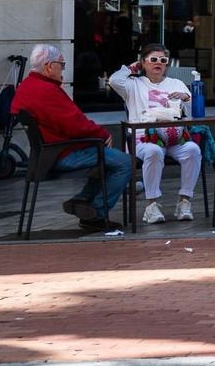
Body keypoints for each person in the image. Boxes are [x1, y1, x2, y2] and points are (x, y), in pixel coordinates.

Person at [12, 44, 131, 232]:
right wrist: (101, 134)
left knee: (108, 159)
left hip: (48, 152)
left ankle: (82, 199)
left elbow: (69, 123)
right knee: (125, 162)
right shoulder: (46, 90)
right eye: (62, 64)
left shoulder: (27, 86)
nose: (63, 69)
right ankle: (96, 214)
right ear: (50, 66)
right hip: (61, 153)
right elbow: (74, 123)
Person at [107, 43, 200, 224]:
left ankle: (184, 201)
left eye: (163, 60)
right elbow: (114, 81)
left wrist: (186, 98)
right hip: (143, 137)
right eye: (153, 60)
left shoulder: (177, 84)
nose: (158, 63)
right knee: (153, 152)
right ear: (144, 63)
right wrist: (134, 67)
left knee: (193, 150)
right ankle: (151, 205)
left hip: (174, 136)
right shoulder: (133, 84)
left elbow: (194, 112)